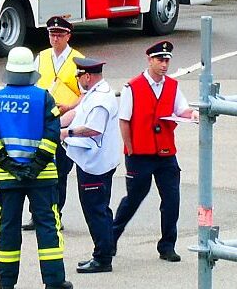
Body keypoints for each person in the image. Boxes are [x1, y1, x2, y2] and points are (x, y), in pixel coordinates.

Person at [0, 46, 72, 289]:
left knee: (8, 226)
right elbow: (52, 134)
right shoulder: (43, 98)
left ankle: (6, 281)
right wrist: (36, 164)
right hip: (43, 177)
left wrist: (8, 164)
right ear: (31, 72)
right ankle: (54, 281)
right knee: (47, 225)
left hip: (7, 177)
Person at [112, 41, 198, 262]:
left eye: (167, 60)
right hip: (139, 154)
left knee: (171, 200)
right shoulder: (132, 87)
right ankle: (110, 239)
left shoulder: (172, 85)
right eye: (160, 60)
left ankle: (167, 245)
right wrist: (130, 149)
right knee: (134, 198)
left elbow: (181, 109)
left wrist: (192, 114)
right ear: (149, 60)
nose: (164, 65)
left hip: (165, 153)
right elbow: (124, 120)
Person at [62, 57, 122, 273]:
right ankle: (105, 249)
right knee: (101, 209)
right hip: (94, 161)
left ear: (87, 76)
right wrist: (54, 124)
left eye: (78, 76)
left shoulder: (101, 100)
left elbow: (94, 129)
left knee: (95, 211)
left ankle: (102, 258)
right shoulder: (95, 93)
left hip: (95, 165)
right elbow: (77, 113)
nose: (77, 80)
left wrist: (65, 133)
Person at [23, 16, 83, 231]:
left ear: (68, 36)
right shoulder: (41, 57)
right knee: (37, 168)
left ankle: (56, 214)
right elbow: (30, 86)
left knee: (60, 171)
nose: (55, 39)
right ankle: (36, 214)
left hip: (65, 122)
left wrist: (69, 107)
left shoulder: (78, 60)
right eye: (52, 34)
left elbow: (86, 95)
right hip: (41, 121)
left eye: (59, 35)